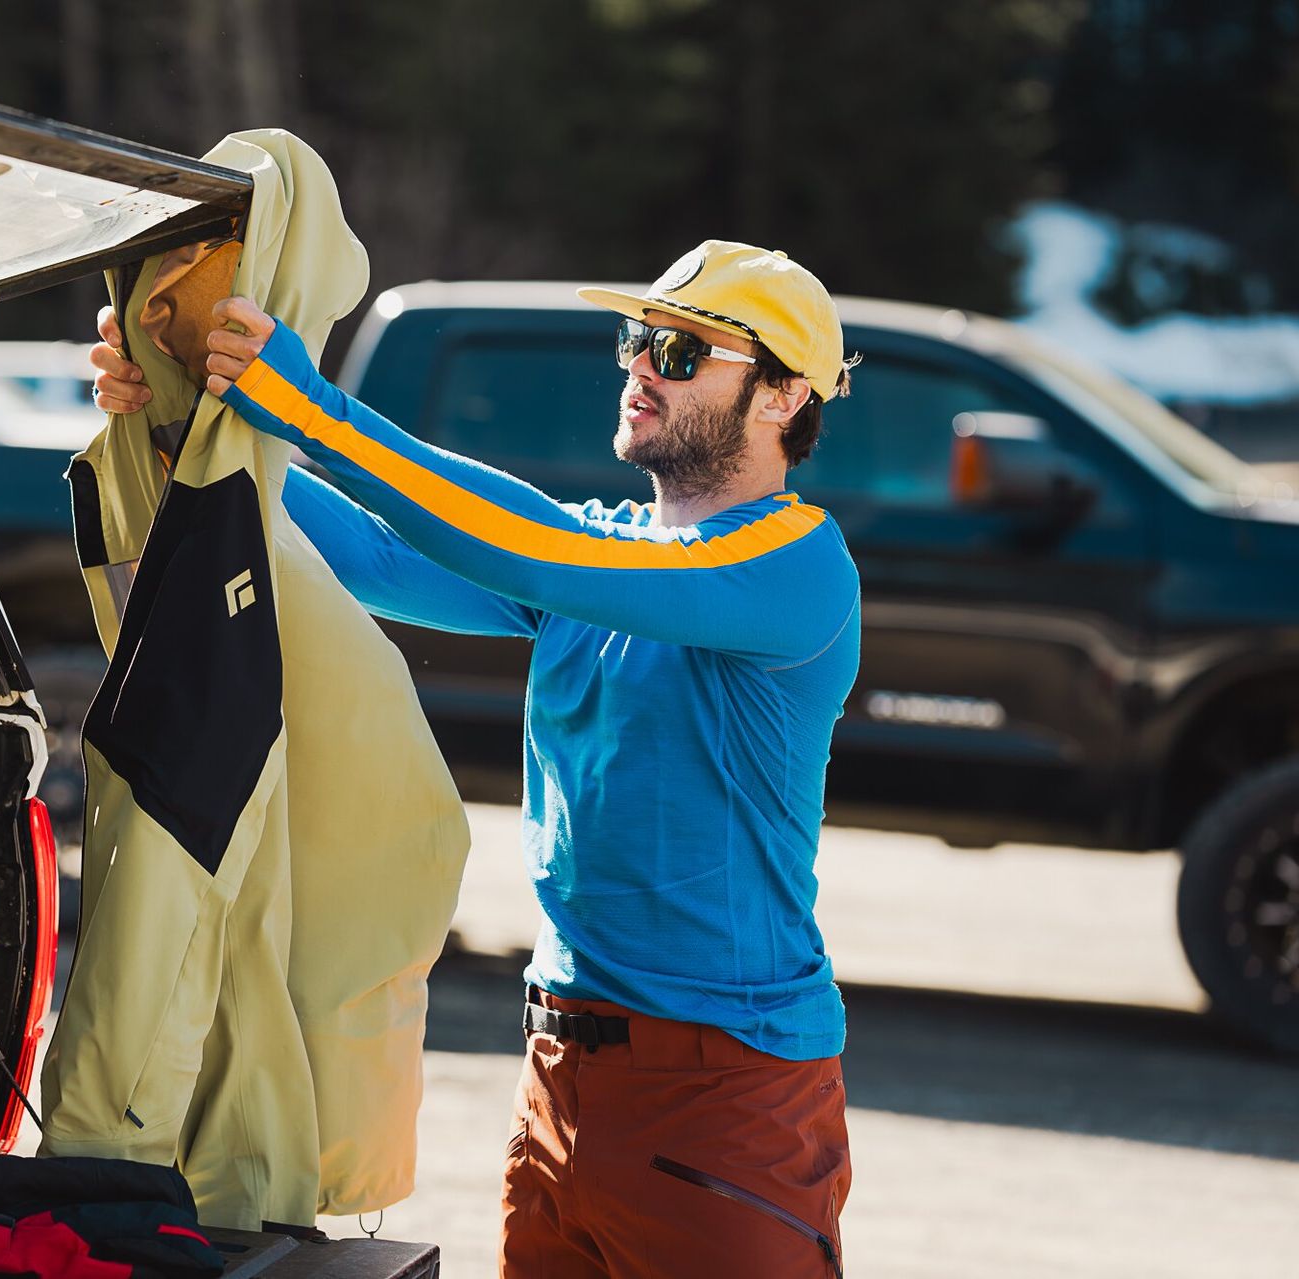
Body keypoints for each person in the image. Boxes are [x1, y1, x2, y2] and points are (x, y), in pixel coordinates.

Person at [90, 240, 860, 1279]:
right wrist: (180, 421)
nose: (639, 366)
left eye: (680, 351)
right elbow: (378, 555)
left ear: (782, 396)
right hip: (561, 1071)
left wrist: (310, 407)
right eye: (636, 340)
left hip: (727, 1089)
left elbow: (520, 543)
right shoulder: (607, 552)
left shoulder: (797, 564)